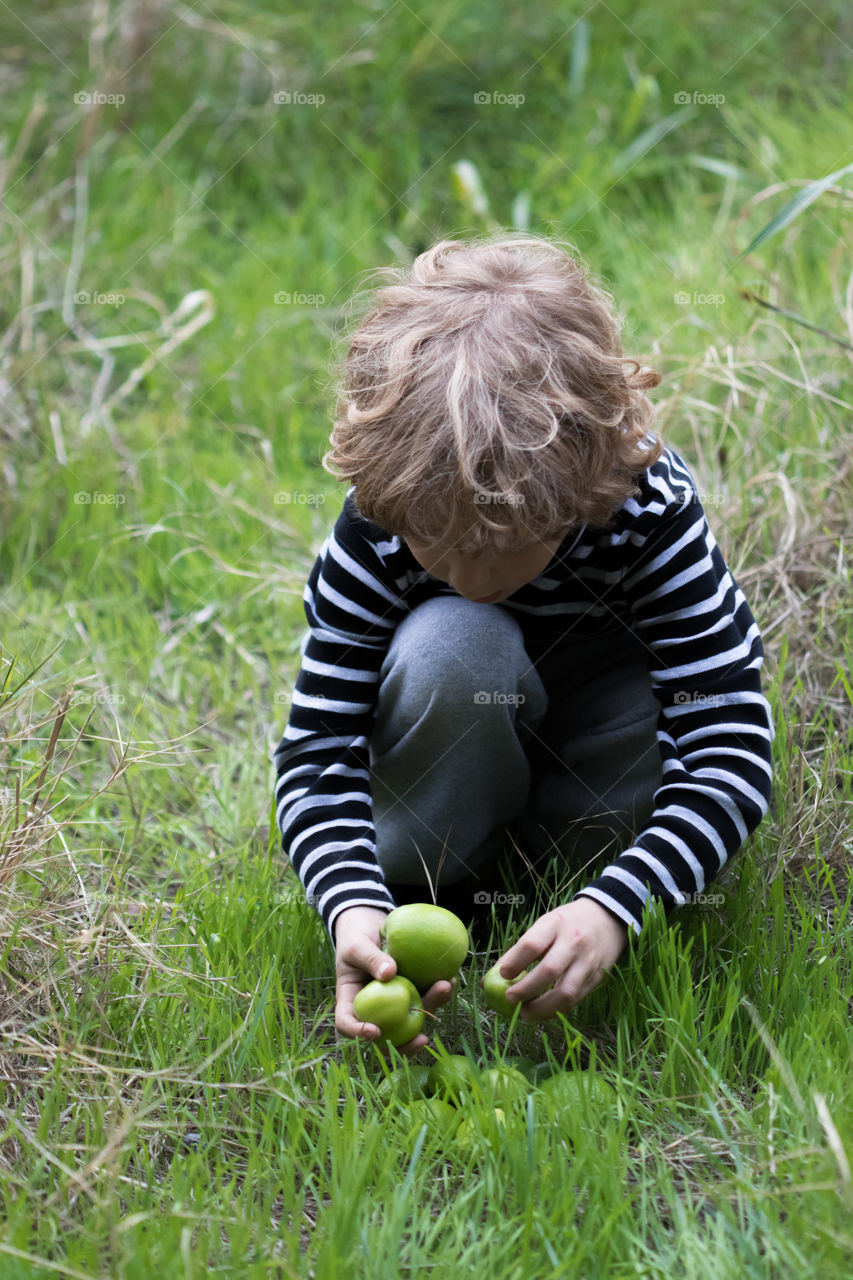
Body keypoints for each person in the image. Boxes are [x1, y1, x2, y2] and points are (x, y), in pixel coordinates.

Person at [272, 233, 774, 1057]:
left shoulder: (647, 512)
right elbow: (318, 748)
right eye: (439, 543)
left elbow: (728, 741)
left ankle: (564, 895)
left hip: (595, 787)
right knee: (453, 639)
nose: (468, 572)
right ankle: (439, 880)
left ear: (583, 481)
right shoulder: (378, 519)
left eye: (504, 544)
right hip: (445, 768)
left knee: (642, 698)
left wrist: (618, 903)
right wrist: (350, 903)